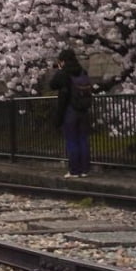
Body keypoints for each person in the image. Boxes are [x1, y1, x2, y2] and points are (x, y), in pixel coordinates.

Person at [50, 48, 91, 178]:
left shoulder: (64, 73)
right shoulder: (82, 71)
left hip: (70, 110)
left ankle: (74, 170)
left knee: (71, 140)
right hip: (83, 110)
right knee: (83, 139)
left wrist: (60, 69)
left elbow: (52, 84)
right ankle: (85, 170)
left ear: (62, 61)